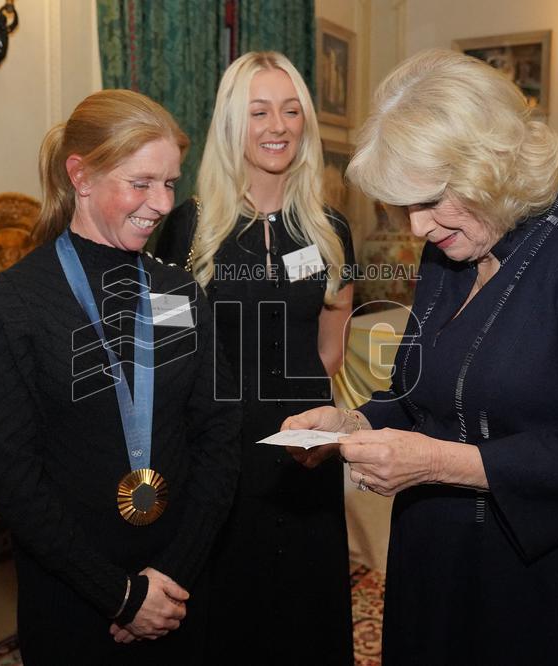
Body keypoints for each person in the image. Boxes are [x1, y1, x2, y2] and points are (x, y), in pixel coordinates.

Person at [284, 49, 558, 665]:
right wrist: (350, 423)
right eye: (403, 206)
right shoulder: (449, 256)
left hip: (539, 582)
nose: (418, 227)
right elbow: (413, 395)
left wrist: (434, 462)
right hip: (431, 560)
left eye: (430, 199)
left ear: (492, 167)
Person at [0, 89, 241, 665]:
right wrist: (119, 596)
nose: (162, 203)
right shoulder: (15, 305)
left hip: (180, 589)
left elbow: (220, 438)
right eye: (141, 183)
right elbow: (12, 480)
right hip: (74, 599)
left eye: (170, 183)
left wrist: (168, 579)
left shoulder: (180, 293)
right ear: (80, 177)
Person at [155, 51, 356, 664]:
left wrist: (316, 429)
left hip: (305, 456)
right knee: (227, 623)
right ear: (230, 125)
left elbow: (329, 352)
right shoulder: (185, 230)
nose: (278, 126)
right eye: (259, 111)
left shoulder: (331, 232)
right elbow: (167, 358)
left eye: (292, 110)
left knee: (305, 621)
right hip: (216, 459)